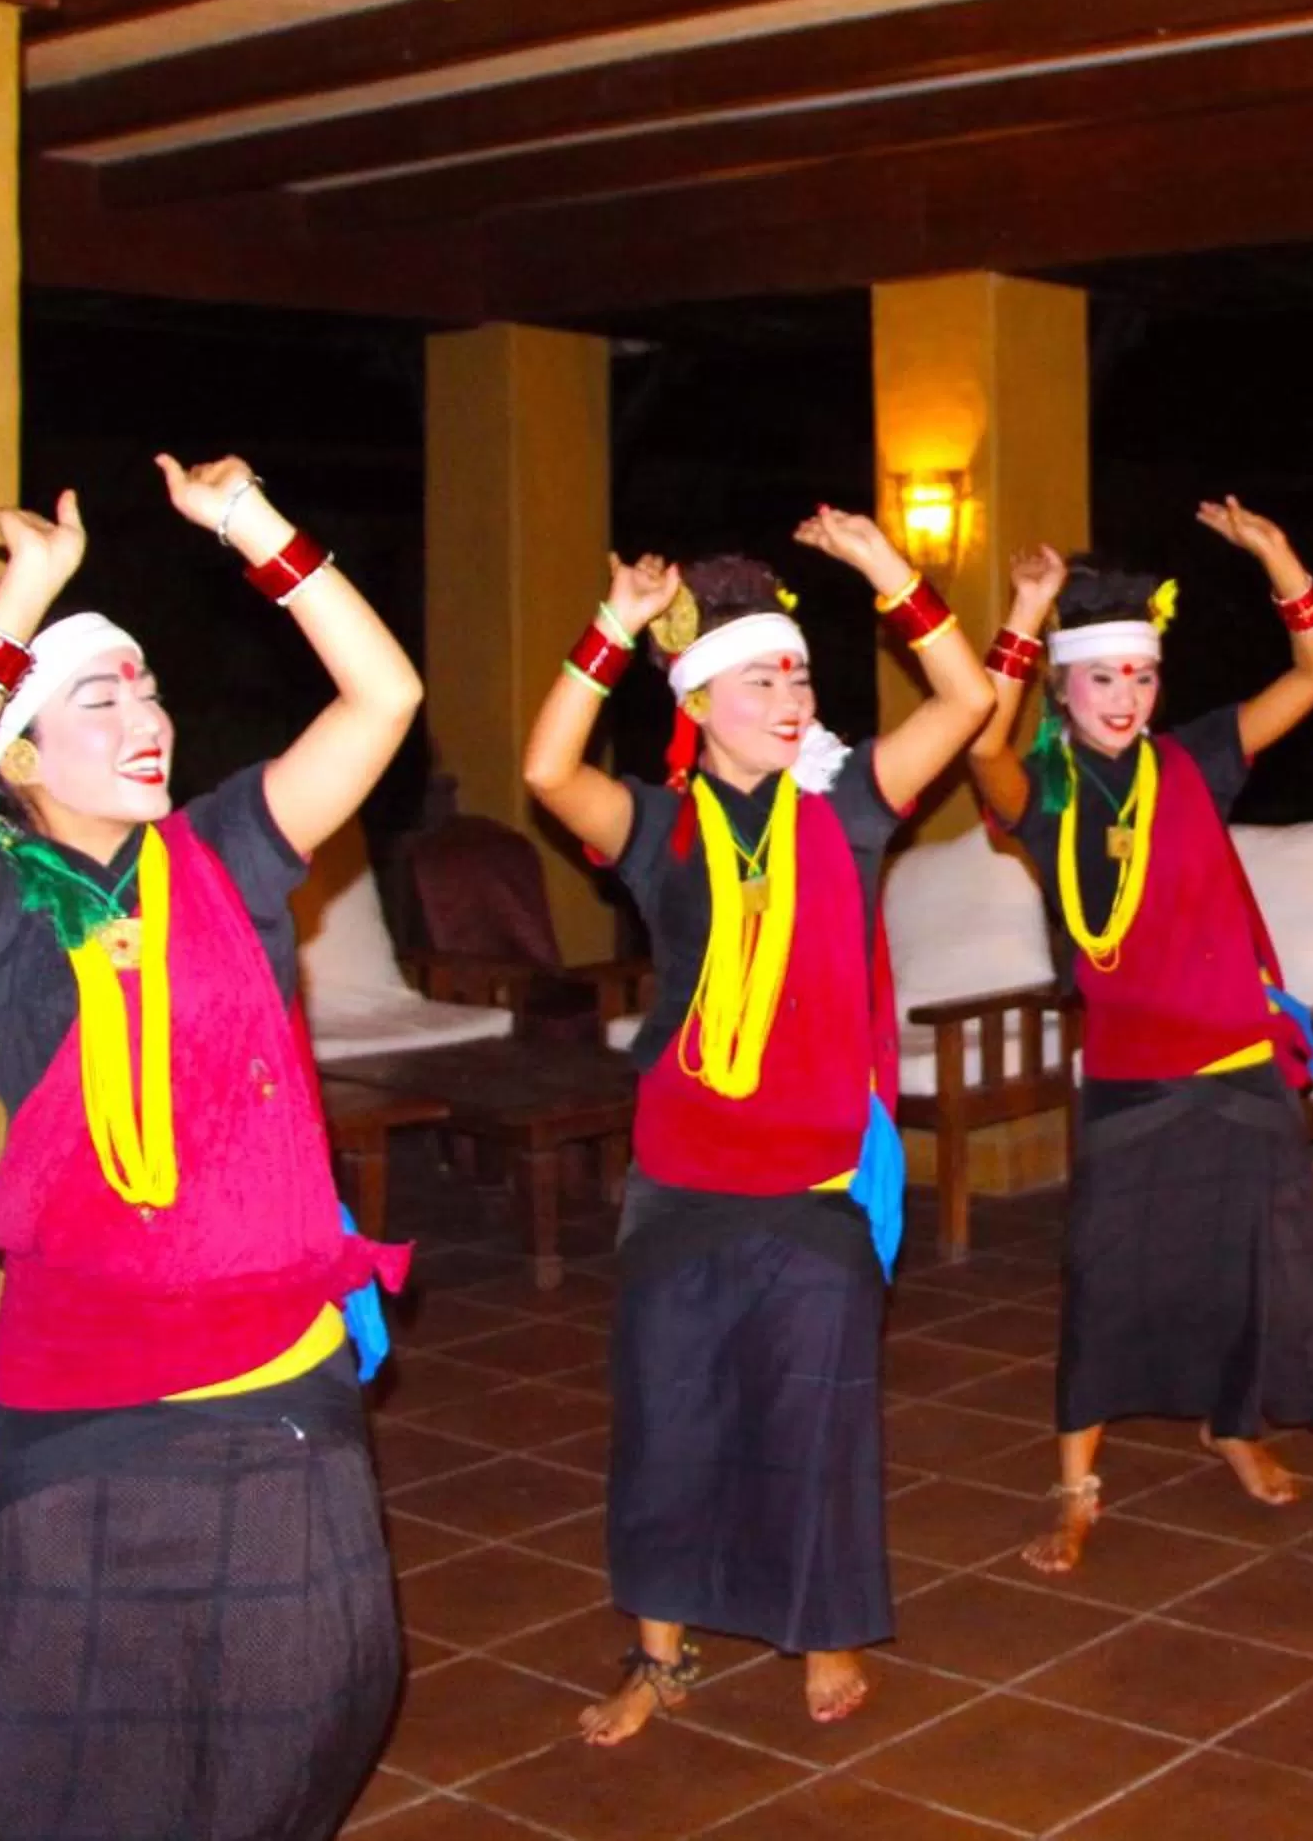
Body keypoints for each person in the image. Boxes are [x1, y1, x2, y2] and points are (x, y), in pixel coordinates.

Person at [0, 459, 421, 1840]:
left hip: (275, 1392)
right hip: (86, 1414)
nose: (147, 716)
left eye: (150, 686)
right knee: (78, 1770)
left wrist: (256, 528)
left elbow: (385, 699)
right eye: (98, 698)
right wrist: (31, 591)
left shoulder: (224, 852)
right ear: (19, 752)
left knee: (301, 1723)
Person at [521, 509, 991, 1743]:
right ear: (702, 697)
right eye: (760, 676)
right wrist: (610, 631)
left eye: (799, 673)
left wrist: (891, 573)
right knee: (671, 1417)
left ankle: (823, 1624)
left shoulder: (852, 807)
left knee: (815, 1414)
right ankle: (660, 1654)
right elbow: (547, 771)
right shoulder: (659, 828)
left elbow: (965, 698)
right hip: (680, 1178)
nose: (789, 693)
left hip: (815, 1179)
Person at [965, 503, 1313, 1573]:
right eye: (1102, 678)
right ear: (1065, 685)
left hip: (1235, 1061)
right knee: (1106, 1283)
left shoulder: (1196, 760)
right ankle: (1078, 1488)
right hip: (1133, 1082)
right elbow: (981, 740)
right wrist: (1028, 613)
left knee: (1240, 1269)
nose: (1126, 698)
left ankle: (1234, 1427)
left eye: (1140, 677)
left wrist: (1279, 556)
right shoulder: (1041, 793)